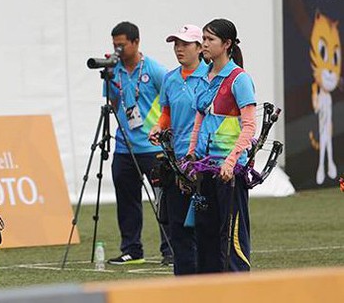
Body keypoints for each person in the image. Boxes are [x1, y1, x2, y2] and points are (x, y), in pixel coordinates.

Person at [186, 18, 256, 273]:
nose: (203, 44)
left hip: (229, 171)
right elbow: (199, 119)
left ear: (226, 44)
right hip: (205, 168)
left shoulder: (239, 79)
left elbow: (249, 126)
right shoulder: (204, 76)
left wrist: (230, 161)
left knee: (232, 234)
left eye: (209, 40)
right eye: (203, 39)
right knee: (205, 232)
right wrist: (190, 155)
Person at [104, 21, 173, 266]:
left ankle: (171, 249)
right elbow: (112, 102)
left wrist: (164, 132)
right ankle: (132, 249)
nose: (118, 50)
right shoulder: (114, 71)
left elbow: (171, 101)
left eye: (121, 45)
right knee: (127, 202)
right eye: (114, 45)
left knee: (163, 200)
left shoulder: (154, 70)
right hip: (124, 148)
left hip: (153, 148)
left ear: (135, 42)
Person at [149, 24, 208, 275]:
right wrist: (158, 128)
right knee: (178, 226)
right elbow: (167, 113)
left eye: (184, 44)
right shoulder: (171, 79)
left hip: (204, 161)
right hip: (175, 162)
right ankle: (184, 284)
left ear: (199, 48)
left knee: (204, 227)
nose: (179, 49)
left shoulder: (212, 76)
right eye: (176, 44)